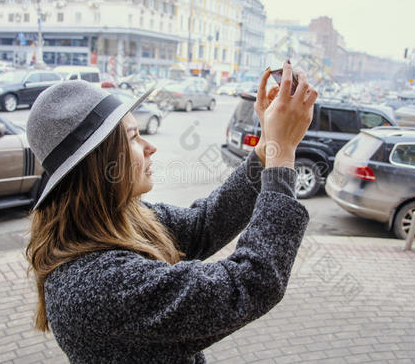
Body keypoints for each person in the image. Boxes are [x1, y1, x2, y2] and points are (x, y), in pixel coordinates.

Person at [25, 61, 318, 363]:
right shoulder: (99, 284)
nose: (150, 147)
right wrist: (282, 154)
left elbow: (204, 225)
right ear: (99, 163)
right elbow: (250, 283)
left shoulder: (118, 220)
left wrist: (269, 145)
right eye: (133, 136)